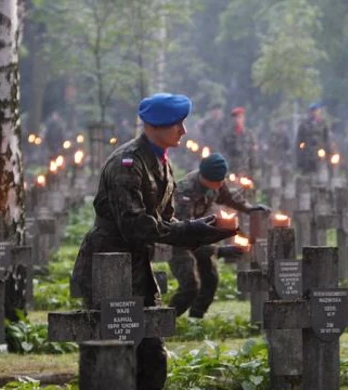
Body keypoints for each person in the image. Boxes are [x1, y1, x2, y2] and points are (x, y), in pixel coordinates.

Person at [70, 93, 237, 389]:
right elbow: (136, 225)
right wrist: (189, 231)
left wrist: (200, 230)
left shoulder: (161, 161)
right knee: (111, 352)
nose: (183, 131)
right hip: (110, 265)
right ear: (155, 127)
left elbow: (165, 220)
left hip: (137, 265)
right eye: (177, 125)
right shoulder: (127, 164)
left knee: (152, 355)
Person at [169, 153, 271, 318]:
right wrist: (219, 251)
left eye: (220, 182)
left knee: (210, 279)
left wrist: (250, 209)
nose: (218, 186)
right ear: (204, 177)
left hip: (200, 235)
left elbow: (228, 198)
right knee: (190, 286)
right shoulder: (185, 192)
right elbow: (184, 234)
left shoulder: (217, 182)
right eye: (215, 183)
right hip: (177, 238)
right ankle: (163, 323)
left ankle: (196, 318)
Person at [295, 102, 331, 174]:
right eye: (312, 111)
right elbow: (299, 139)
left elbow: (326, 138)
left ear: (319, 111)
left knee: (322, 168)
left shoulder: (323, 124)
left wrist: (327, 149)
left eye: (316, 110)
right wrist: (301, 148)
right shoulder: (304, 124)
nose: (314, 112)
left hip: (319, 151)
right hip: (307, 152)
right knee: (305, 171)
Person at [220, 107, 256, 176]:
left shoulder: (249, 134)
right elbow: (222, 152)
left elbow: (252, 153)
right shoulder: (227, 135)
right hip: (230, 169)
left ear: (243, 119)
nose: (237, 120)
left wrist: (253, 169)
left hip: (245, 169)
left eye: (239, 117)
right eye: (235, 118)